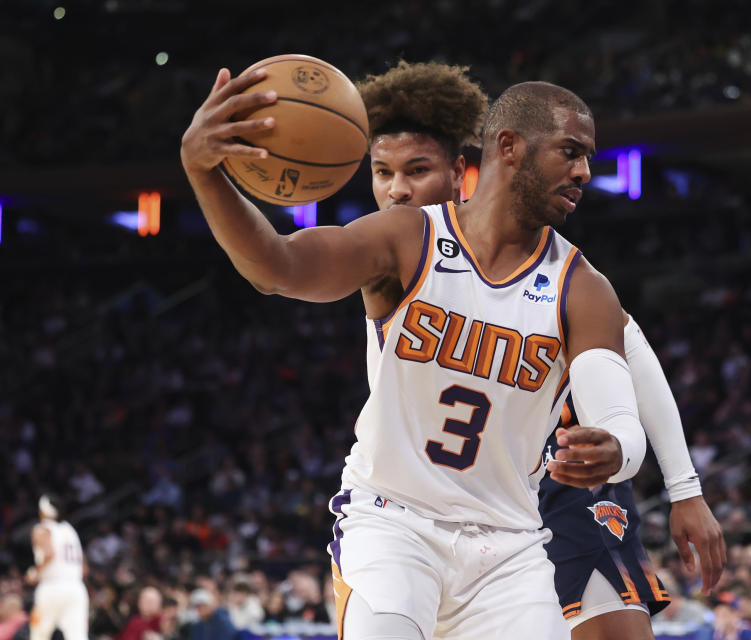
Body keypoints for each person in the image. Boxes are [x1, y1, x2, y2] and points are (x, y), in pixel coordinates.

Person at [182, 67, 649, 639]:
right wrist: (205, 174)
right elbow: (278, 267)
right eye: (570, 152)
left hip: (510, 548)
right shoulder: (406, 238)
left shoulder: (584, 287)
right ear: (509, 148)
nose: (584, 170)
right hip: (393, 524)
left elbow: (621, 417)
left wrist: (617, 447)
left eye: (587, 156)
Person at [355, 60, 725, 640]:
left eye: (416, 171)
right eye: (382, 173)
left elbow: (635, 352)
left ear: (461, 172)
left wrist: (685, 489)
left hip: (552, 475)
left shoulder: (557, 268)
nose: (398, 188)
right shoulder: (391, 251)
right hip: (433, 505)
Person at [25, 495, 88, 640]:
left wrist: (35, 573)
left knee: (39, 634)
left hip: (52, 586)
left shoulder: (42, 529)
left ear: (42, 511)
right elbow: (84, 567)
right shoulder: (70, 530)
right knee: (78, 636)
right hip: (76, 588)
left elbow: (49, 553)